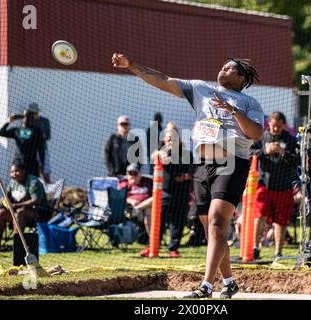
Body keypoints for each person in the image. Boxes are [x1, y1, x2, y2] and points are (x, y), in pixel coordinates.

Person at [112, 53, 264, 299]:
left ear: (241, 77)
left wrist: (233, 111)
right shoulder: (201, 89)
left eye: (229, 68)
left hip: (232, 162)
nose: (223, 69)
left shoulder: (249, 103)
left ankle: (206, 285)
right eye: (222, 65)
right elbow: (163, 80)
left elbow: (256, 133)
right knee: (211, 229)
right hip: (202, 164)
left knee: (216, 222)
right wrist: (131, 66)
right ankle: (229, 281)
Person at [251, 111, 299, 259]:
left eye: (279, 126)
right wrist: (266, 150)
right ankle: (255, 248)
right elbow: (250, 152)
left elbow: (297, 160)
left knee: (281, 220)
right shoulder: (262, 136)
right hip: (264, 184)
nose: (276, 129)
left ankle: (278, 252)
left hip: (284, 186)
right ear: (269, 125)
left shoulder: (290, 140)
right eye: (273, 126)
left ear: (283, 125)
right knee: (260, 216)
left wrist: (284, 152)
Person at [152, 128, 193, 258]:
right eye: (168, 138)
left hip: (181, 193)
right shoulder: (162, 151)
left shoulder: (186, 153)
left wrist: (184, 177)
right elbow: (153, 156)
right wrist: (159, 153)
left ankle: (173, 249)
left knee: (177, 222)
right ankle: (153, 246)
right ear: (164, 140)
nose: (171, 141)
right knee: (159, 220)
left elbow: (194, 171)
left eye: (173, 139)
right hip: (165, 193)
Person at [0, 159, 51, 246]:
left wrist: (16, 205)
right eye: (12, 172)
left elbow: (35, 200)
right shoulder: (12, 183)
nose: (14, 174)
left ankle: (17, 246)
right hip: (17, 212)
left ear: (23, 171)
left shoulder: (33, 182)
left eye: (16, 171)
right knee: (0, 213)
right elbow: (7, 197)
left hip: (37, 212)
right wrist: (3, 201)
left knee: (19, 213)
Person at [0, 108, 46, 177]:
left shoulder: (37, 132)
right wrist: (8, 122)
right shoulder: (17, 130)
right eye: (24, 117)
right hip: (19, 164)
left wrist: (42, 165)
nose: (26, 119)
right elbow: (1, 133)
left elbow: (41, 150)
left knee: (33, 184)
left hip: (32, 165)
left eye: (28, 117)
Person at [118, 163, 153, 256]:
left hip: (146, 209)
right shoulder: (124, 184)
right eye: (130, 174)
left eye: (135, 173)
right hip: (129, 211)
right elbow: (119, 198)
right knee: (143, 210)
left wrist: (140, 205)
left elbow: (156, 196)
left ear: (140, 174)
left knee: (149, 209)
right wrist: (130, 200)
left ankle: (152, 243)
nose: (133, 176)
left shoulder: (147, 182)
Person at [25, 102, 52, 184]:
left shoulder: (45, 121)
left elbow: (48, 136)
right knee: (34, 174)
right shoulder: (27, 122)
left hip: (43, 149)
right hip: (31, 151)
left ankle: (50, 192)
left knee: (46, 173)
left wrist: (41, 135)